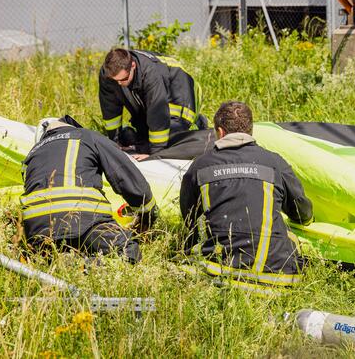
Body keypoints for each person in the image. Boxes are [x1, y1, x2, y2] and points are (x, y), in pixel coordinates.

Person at [179, 101, 313, 294]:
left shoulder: (200, 165)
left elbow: (189, 220)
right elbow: (302, 212)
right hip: (278, 275)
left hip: (219, 271)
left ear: (220, 132)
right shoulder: (274, 162)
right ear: (251, 130)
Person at [21, 115, 157, 263]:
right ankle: (84, 266)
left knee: (51, 256)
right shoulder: (87, 136)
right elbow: (128, 179)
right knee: (128, 252)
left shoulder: (31, 155)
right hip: (84, 222)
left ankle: (58, 261)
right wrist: (148, 215)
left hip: (38, 233)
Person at [98, 48, 204, 161]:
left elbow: (158, 113)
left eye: (123, 79)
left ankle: (199, 123)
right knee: (143, 133)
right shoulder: (108, 75)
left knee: (171, 139)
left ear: (133, 66)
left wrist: (154, 155)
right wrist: (115, 143)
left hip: (181, 94)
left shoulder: (150, 73)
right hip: (153, 96)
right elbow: (110, 110)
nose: (119, 84)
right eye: (115, 80)